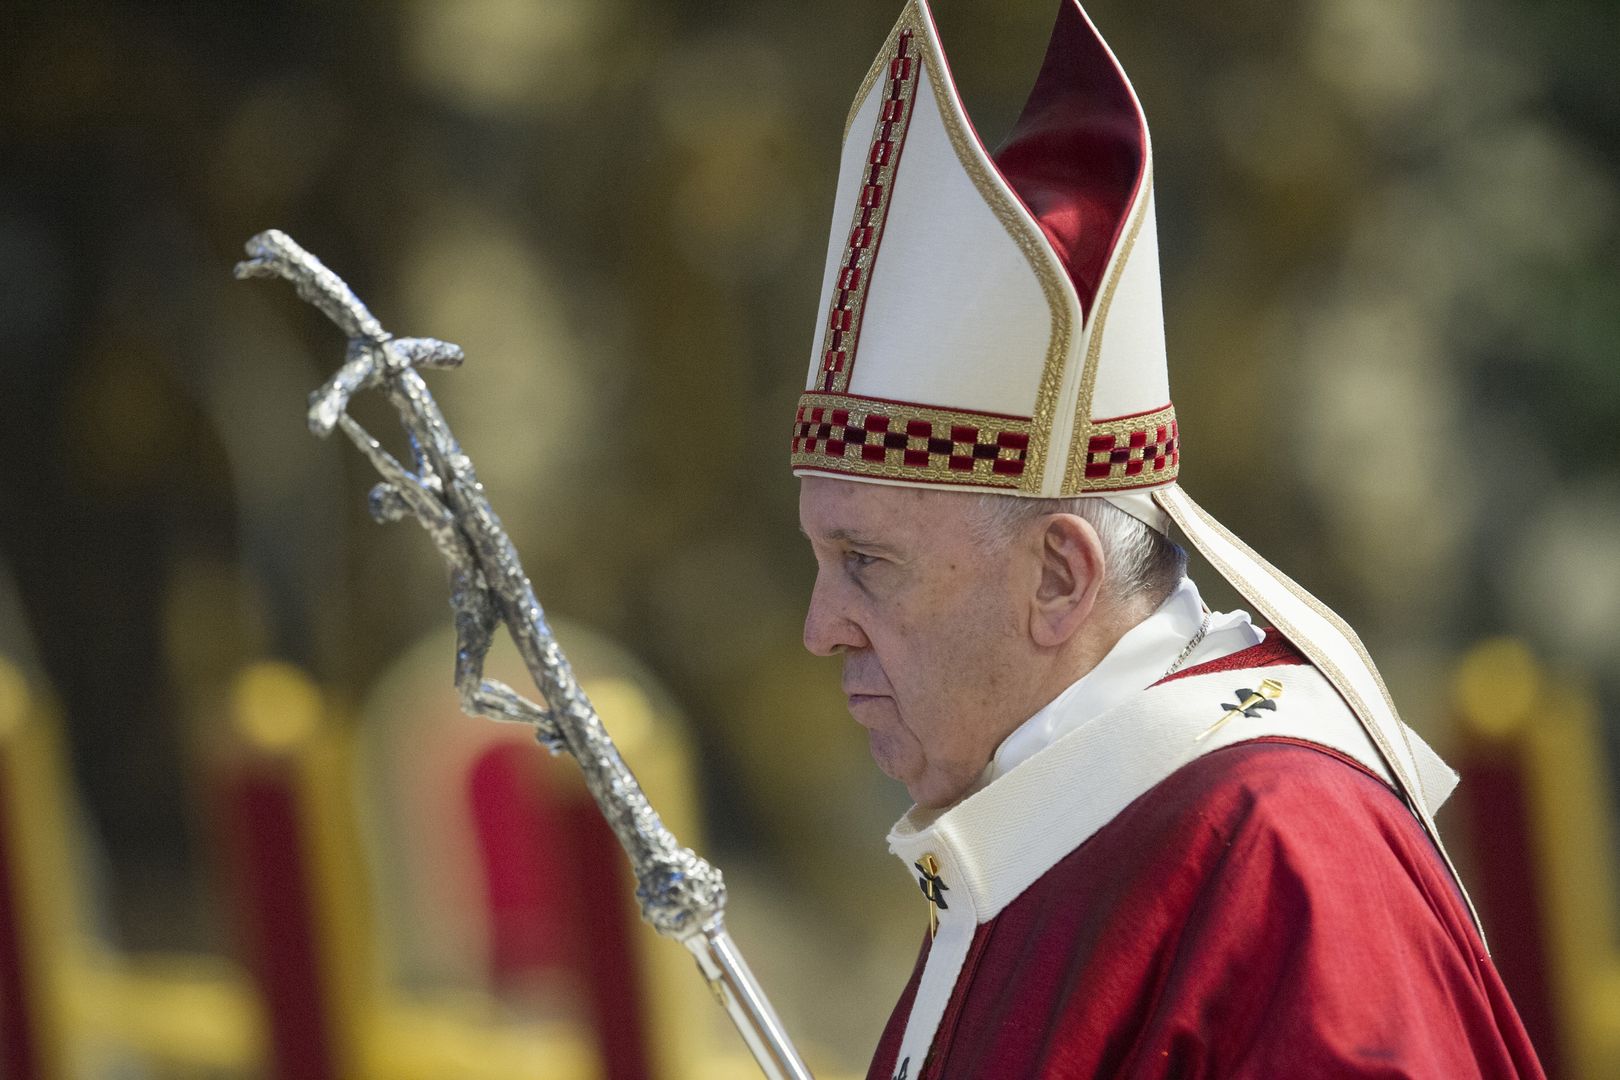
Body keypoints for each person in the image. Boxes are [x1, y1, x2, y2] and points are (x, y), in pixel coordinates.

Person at [789, 1, 1547, 1076]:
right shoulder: (1035, 825)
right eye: (818, 561)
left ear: (1059, 576)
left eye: (867, 564)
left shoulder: (1288, 847)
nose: (821, 631)